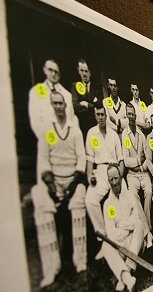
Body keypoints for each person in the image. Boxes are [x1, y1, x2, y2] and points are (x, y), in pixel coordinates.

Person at [31, 92, 87, 287]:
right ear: (51, 105)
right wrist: (50, 184)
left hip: (73, 179)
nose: (58, 107)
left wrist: (73, 182)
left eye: (60, 103)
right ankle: (52, 266)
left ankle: (80, 261)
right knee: (40, 202)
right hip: (54, 182)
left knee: (78, 204)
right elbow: (43, 159)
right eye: (54, 103)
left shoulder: (75, 130)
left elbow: (82, 158)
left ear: (65, 105)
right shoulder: (47, 129)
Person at [102, 163, 149, 292]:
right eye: (111, 179)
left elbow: (136, 221)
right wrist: (129, 228)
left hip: (136, 243)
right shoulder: (107, 204)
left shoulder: (130, 196)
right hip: (120, 245)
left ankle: (127, 269)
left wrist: (120, 224)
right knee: (105, 246)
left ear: (121, 177)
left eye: (116, 178)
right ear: (108, 181)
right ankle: (128, 279)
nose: (114, 182)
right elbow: (111, 234)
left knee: (139, 225)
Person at [85, 102, 124, 238]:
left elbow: (121, 159)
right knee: (90, 200)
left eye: (103, 114)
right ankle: (103, 236)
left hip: (115, 171)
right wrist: (90, 176)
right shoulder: (91, 133)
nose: (101, 117)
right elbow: (89, 159)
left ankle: (131, 235)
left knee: (126, 199)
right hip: (101, 172)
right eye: (98, 115)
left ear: (106, 115)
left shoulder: (113, 134)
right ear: (95, 116)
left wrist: (120, 177)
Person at [122, 103, 153, 247]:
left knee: (149, 192)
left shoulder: (141, 135)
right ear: (126, 115)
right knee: (133, 196)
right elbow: (126, 160)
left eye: (132, 114)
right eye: (128, 114)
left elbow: (147, 156)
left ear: (135, 116)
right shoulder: (125, 134)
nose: (131, 117)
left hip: (142, 172)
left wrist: (141, 166)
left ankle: (146, 228)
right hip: (131, 174)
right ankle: (148, 233)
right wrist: (137, 161)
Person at [28, 59, 77, 139]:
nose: (53, 74)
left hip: (66, 140)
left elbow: (71, 119)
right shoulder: (36, 92)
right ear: (45, 70)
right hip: (46, 139)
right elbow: (35, 119)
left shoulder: (67, 95)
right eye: (50, 70)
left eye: (56, 72)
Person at [71, 58, 100, 138]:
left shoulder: (96, 89)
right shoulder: (75, 86)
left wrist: (86, 104)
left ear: (90, 73)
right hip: (82, 127)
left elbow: (99, 107)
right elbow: (75, 106)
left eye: (86, 71)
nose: (84, 74)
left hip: (96, 127)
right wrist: (93, 106)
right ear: (78, 71)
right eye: (81, 71)